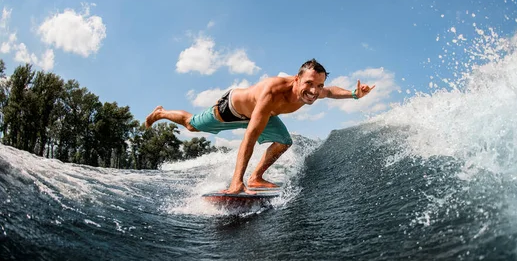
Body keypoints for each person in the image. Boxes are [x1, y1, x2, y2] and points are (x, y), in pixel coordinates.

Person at [144, 59, 375, 194]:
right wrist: (236, 181)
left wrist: (354, 94)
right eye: (309, 84)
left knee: (284, 141)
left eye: (319, 85)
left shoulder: (315, 90)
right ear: (296, 79)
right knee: (192, 125)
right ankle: (161, 113)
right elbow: (250, 137)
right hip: (230, 109)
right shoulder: (272, 92)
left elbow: (330, 91)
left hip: (263, 115)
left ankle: (256, 177)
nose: (314, 91)